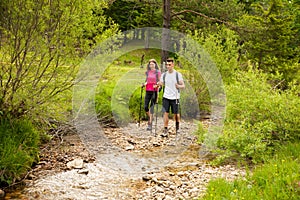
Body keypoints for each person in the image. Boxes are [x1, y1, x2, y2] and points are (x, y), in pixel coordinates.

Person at [158, 58, 185, 136]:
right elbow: (161, 84)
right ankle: (165, 129)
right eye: (167, 65)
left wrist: (178, 86)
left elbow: (183, 86)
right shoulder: (164, 75)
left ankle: (177, 128)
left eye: (169, 65)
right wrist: (158, 84)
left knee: (176, 114)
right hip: (166, 96)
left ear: (173, 65)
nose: (168, 66)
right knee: (165, 113)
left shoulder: (177, 74)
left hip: (175, 97)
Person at [142, 59, 161, 131]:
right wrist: (144, 84)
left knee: (151, 107)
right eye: (150, 64)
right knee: (146, 107)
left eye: (153, 64)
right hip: (148, 90)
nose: (151, 65)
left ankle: (149, 124)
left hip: (154, 91)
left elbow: (160, 81)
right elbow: (147, 81)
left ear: (155, 65)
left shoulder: (157, 72)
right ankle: (151, 117)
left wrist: (157, 85)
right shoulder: (147, 72)